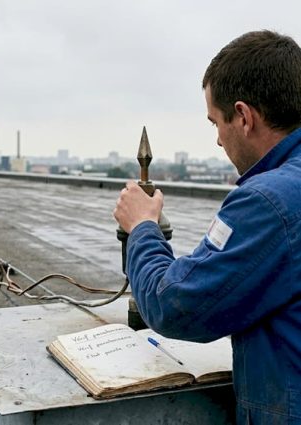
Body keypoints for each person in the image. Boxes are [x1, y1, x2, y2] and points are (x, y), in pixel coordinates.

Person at [114, 30, 301, 424]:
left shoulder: (270, 201)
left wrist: (143, 227)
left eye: (216, 122)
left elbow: (175, 306)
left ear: (245, 116)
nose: (217, 140)